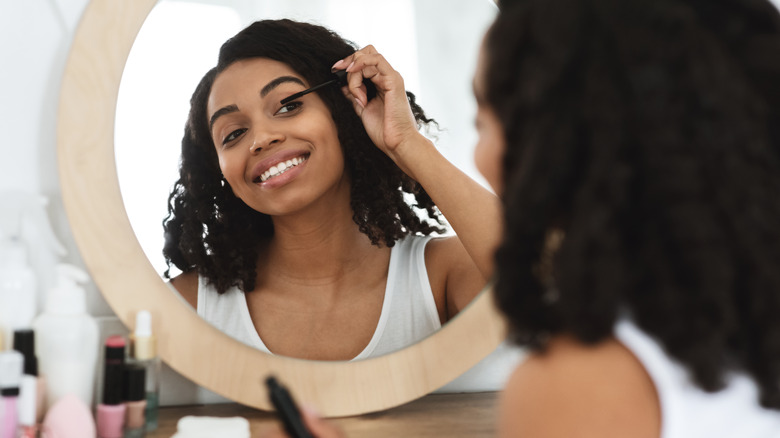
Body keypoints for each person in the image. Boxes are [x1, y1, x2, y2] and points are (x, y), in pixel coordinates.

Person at [264, 0, 780, 436]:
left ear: (562, 136)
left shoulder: (585, 379)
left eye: (484, 118)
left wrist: (406, 145)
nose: (483, 155)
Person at [162, 19, 500, 361]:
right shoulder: (188, 303)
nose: (261, 139)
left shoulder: (441, 273)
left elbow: (544, 279)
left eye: (289, 105)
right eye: (233, 134)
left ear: (344, 112)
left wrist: (406, 144)